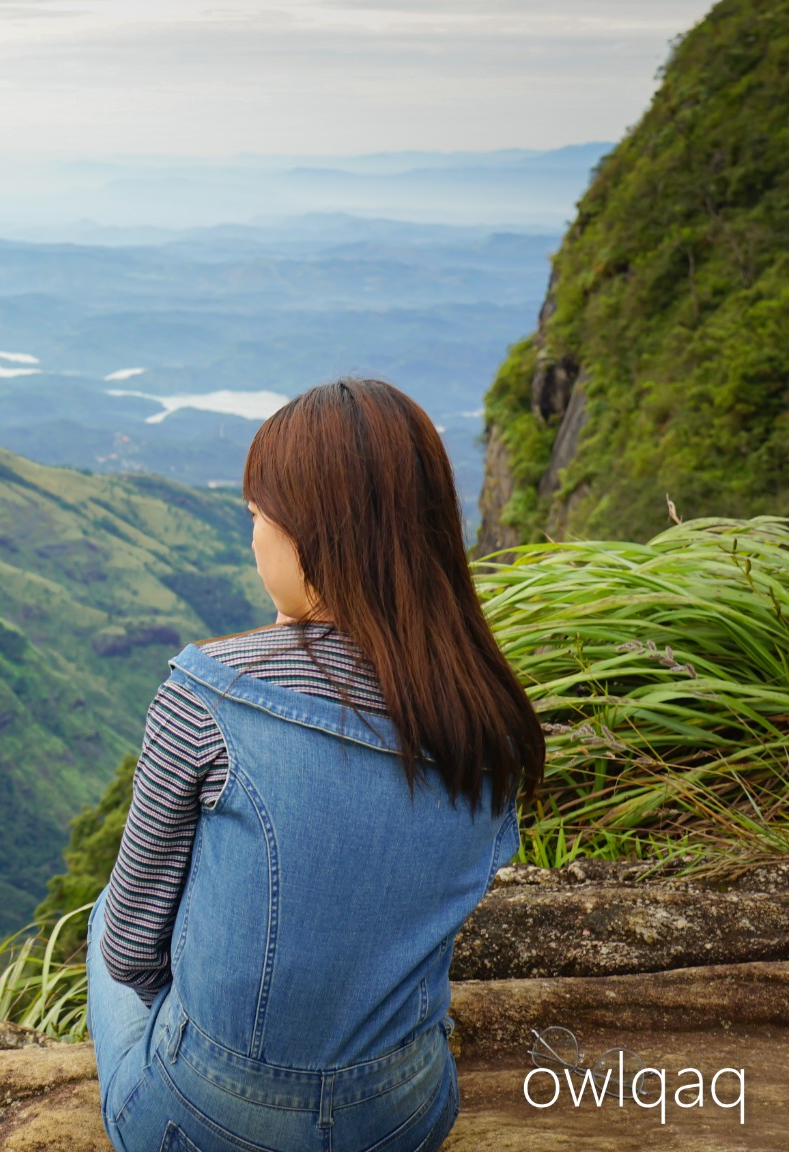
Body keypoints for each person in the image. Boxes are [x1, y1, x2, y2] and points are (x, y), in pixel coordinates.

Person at [85, 377, 544, 1152]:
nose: (254, 536)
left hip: (208, 1120)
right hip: (403, 1115)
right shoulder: (487, 711)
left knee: (106, 915)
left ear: (311, 535)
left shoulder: (207, 694)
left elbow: (133, 950)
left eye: (259, 517)